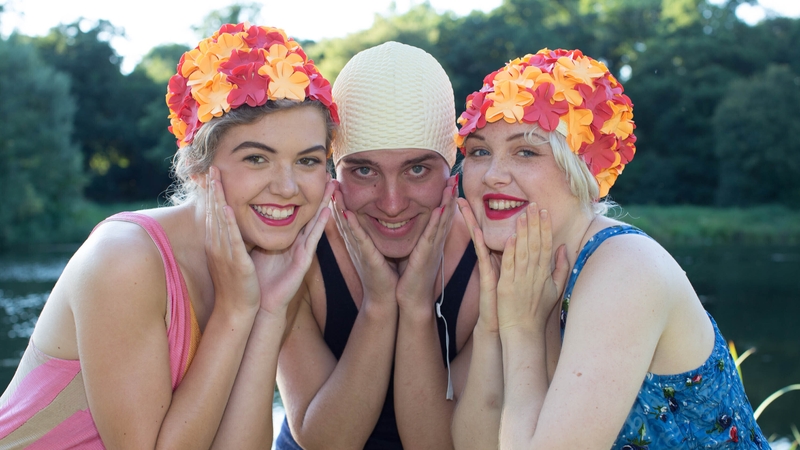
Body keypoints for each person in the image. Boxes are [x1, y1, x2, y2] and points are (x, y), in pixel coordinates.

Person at [0, 23, 338, 449]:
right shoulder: (124, 260)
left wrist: (269, 312)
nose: (288, 187)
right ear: (198, 166)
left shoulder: (272, 266)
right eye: (257, 158)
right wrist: (234, 311)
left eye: (308, 161)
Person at [451, 48, 768, 449]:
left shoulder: (625, 271)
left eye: (526, 151)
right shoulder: (522, 270)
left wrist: (523, 332)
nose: (493, 175)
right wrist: (494, 325)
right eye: (479, 151)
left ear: (581, 167)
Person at [274, 41, 481, 449]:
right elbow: (325, 442)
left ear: (451, 173)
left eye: (417, 169)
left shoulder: (492, 258)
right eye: (364, 169)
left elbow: (439, 443)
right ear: (334, 173)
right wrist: (380, 305)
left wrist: (417, 306)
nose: (391, 202)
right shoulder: (294, 249)